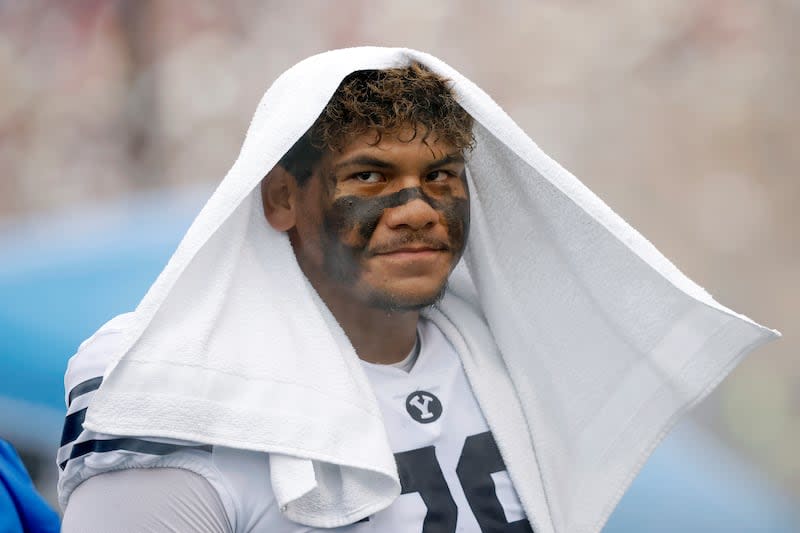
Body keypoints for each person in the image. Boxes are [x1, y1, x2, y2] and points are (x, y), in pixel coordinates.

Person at [57, 48, 777, 532]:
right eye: (369, 176)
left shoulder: (500, 355)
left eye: (441, 176)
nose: (419, 208)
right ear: (281, 198)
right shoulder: (180, 394)